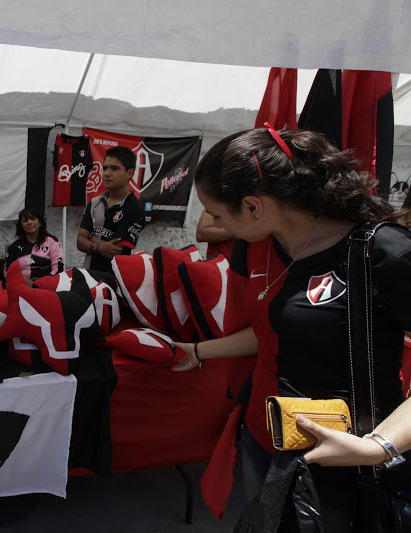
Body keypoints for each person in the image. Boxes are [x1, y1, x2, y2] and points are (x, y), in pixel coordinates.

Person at [170, 125, 410, 530]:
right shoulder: (257, 242)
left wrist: (377, 447)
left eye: (216, 213)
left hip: (345, 462)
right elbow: (274, 332)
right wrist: (196, 352)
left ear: (253, 206)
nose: (212, 224)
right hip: (263, 442)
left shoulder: (383, 252)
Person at [77, 146, 146, 273]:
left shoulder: (135, 208)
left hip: (114, 279)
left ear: (129, 173)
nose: (107, 173)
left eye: (114, 168)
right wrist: (98, 246)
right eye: (105, 168)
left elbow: (113, 252)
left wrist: (90, 236)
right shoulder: (94, 202)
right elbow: (79, 242)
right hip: (87, 275)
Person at [4, 208, 63, 286]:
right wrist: (22, 281)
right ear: (21, 225)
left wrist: (43, 283)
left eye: (33, 219)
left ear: (40, 222)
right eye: (25, 221)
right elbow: (7, 271)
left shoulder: (52, 242)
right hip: (21, 285)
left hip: (46, 286)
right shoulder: (15, 245)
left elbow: (58, 268)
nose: (29, 222)